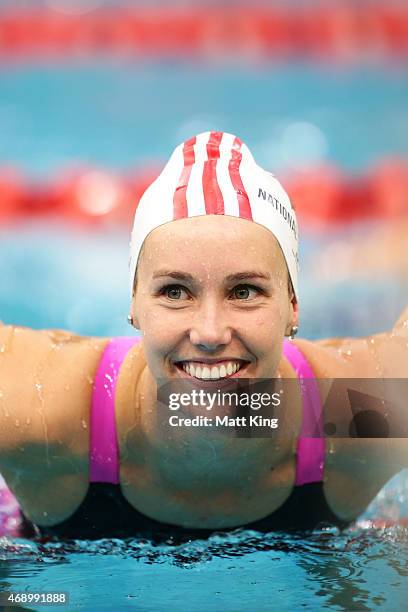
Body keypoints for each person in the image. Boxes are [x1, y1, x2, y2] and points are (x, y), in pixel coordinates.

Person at [0, 131, 407, 542]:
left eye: (244, 292)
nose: (210, 333)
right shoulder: (48, 413)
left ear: (293, 305)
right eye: (175, 292)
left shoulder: (351, 421)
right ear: (134, 305)